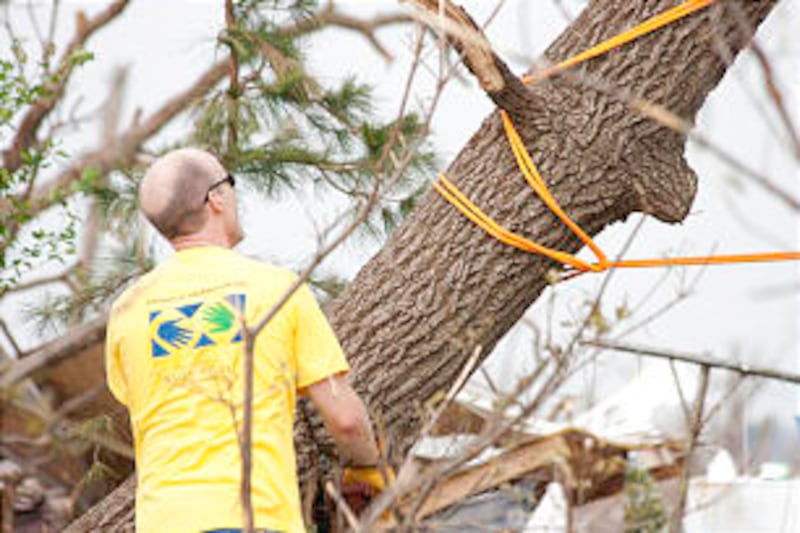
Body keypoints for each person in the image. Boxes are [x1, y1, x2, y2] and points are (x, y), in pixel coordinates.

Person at [105, 148, 389, 533]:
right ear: (215, 199)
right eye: (231, 184)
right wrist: (367, 469)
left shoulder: (128, 311)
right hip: (254, 519)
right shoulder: (276, 289)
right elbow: (347, 421)